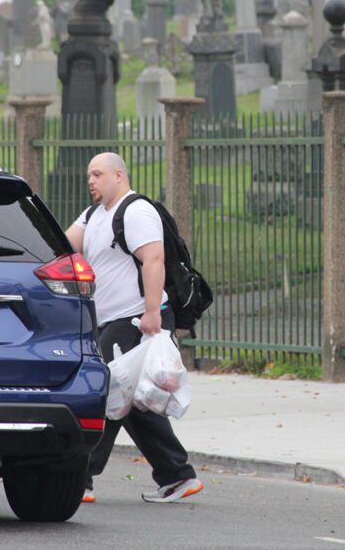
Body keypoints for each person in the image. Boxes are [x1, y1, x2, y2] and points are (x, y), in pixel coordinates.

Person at [65, 152, 203, 504]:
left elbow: (154, 258)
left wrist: (153, 312)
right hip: (110, 320)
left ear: (119, 176)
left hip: (135, 317)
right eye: (88, 175)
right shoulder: (94, 214)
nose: (91, 181)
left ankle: (78, 478)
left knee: (107, 392)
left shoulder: (136, 211)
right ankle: (176, 475)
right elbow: (64, 245)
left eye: (97, 174)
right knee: (132, 402)